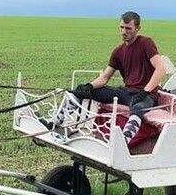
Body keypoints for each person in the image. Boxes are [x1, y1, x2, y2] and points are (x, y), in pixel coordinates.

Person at [69, 11, 166, 143]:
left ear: (137, 29)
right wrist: (89, 86)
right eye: (122, 27)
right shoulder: (118, 51)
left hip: (146, 96)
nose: (124, 31)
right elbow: (105, 77)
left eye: (128, 28)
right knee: (82, 91)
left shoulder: (146, 43)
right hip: (127, 92)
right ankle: (55, 123)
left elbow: (161, 69)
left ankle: (122, 142)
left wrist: (145, 91)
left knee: (137, 108)